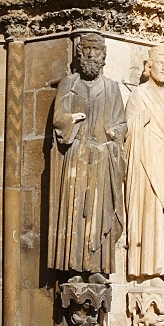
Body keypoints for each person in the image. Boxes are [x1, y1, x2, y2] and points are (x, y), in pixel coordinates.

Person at [48, 33, 126, 277]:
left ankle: (97, 265)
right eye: (86, 50)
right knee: (75, 209)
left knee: (99, 210)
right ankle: (73, 264)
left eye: (96, 50)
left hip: (102, 158)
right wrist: (72, 120)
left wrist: (115, 134)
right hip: (76, 156)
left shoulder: (111, 88)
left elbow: (121, 123)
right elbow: (58, 120)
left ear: (104, 55)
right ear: (78, 54)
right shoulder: (68, 84)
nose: (91, 55)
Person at [125, 44, 164, 278]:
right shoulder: (139, 94)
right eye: (159, 62)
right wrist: (140, 120)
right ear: (149, 66)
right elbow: (128, 128)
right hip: (147, 165)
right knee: (150, 213)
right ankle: (146, 267)